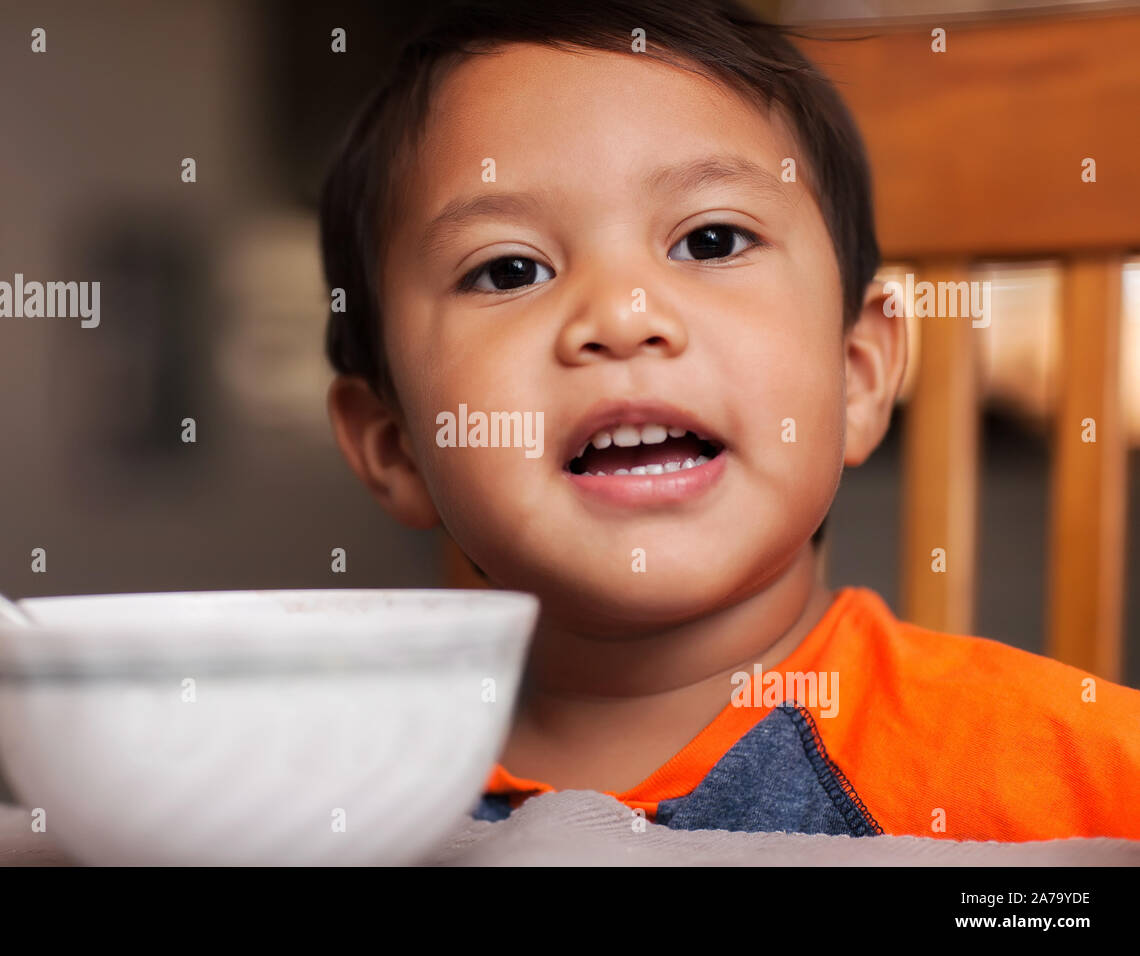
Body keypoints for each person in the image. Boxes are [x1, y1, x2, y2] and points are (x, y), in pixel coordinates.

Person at [317, 0, 1140, 840]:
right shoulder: (325, 802)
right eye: (510, 269)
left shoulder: (1062, 781)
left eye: (710, 241)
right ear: (397, 448)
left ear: (856, 377)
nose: (624, 315)